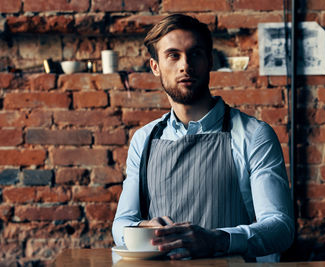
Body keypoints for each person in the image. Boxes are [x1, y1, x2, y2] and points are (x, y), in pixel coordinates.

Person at [112, 14, 294, 262]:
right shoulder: (143, 140)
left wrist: (218, 240)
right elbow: (122, 223)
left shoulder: (254, 135)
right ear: (155, 67)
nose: (185, 65)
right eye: (173, 55)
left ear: (209, 60)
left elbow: (281, 228)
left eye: (194, 53)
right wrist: (141, 229)